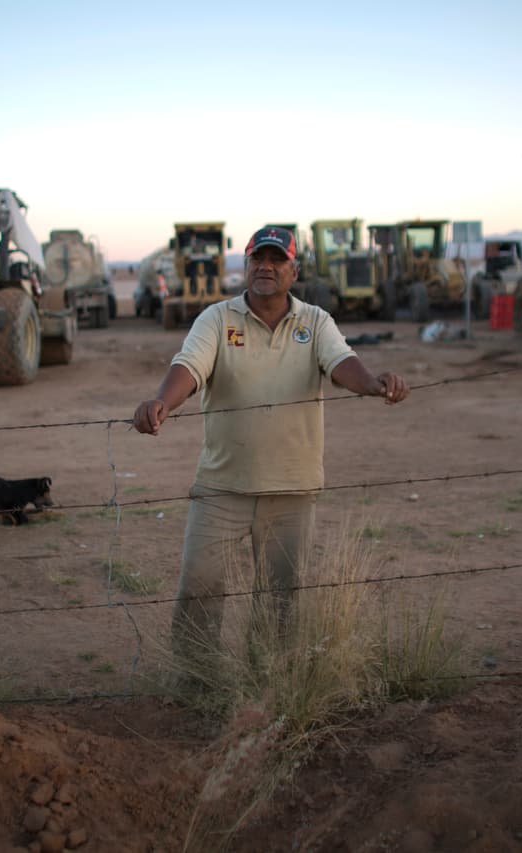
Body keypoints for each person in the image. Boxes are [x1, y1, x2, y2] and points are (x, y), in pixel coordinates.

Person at [132, 226, 409, 671]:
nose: (266, 266)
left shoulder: (315, 321)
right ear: (245, 266)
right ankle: (198, 679)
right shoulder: (217, 319)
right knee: (199, 586)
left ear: (293, 270)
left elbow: (342, 365)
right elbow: (189, 367)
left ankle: (269, 680)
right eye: (257, 258)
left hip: (292, 489)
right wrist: (162, 402)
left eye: (276, 259)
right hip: (222, 486)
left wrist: (374, 384)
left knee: (281, 597)